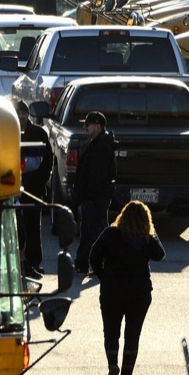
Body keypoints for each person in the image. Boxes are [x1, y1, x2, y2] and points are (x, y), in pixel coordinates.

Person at [89, 200, 165, 375]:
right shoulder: (146, 238)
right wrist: (152, 233)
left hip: (112, 290)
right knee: (133, 335)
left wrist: (104, 277)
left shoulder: (110, 234)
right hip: (139, 292)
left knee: (111, 331)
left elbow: (93, 256)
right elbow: (160, 255)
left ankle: (112, 364)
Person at [72, 110, 116, 274]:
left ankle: (103, 264)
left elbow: (98, 175)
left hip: (96, 198)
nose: (85, 127)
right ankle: (82, 263)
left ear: (98, 126)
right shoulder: (92, 142)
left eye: (88, 124)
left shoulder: (103, 145)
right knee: (86, 233)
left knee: (98, 232)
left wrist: (90, 195)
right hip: (88, 197)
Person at [16, 101, 52, 279]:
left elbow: (48, 160)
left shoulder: (39, 133)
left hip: (34, 189)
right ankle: (18, 263)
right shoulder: (9, 131)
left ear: (28, 115)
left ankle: (34, 262)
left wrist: (41, 182)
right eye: (18, 113)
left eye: (24, 113)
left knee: (33, 227)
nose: (21, 116)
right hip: (13, 189)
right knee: (16, 227)